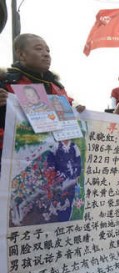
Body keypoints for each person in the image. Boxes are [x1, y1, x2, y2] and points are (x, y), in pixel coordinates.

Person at [0, 33, 85, 174]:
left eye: (48, 51)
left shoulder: (57, 87)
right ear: (21, 55)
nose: (46, 54)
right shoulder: (6, 85)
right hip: (15, 166)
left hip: (56, 165)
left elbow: (68, 127)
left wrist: (78, 112)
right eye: (39, 49)